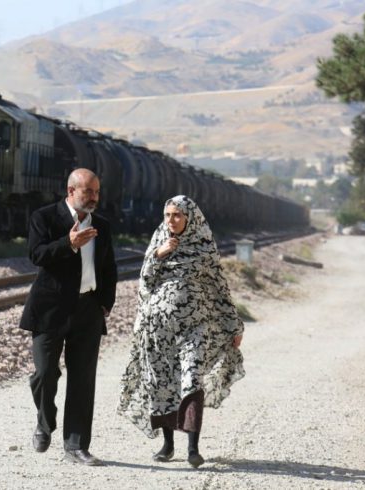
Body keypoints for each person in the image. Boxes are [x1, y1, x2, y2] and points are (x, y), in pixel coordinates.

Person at [117, 195, 245, 468]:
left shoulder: (204, 246)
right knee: (163, 383)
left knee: (191, 380)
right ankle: (167, 445)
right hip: (158, 329)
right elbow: (146, 280)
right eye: (167, 215)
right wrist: (159, 255)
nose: (171, 220)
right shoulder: (159, 240)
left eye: (177, 215)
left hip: (194, 328)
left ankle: (193, 448)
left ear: (190, 217)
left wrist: (234, 324)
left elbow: (220, 288)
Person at [20, 167, 118, 466]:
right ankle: (44, 421)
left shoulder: (102, 225)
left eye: (97, 192)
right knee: (44, 373)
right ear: (71, 191)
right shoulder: (44, 217)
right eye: (88, 192)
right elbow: (36, 254)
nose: (94, 198)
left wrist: (105, 303)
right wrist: (69, 244)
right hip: (50, 309)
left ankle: (76, 446)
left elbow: (108, 268)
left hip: (88, 309)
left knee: (83, 380)